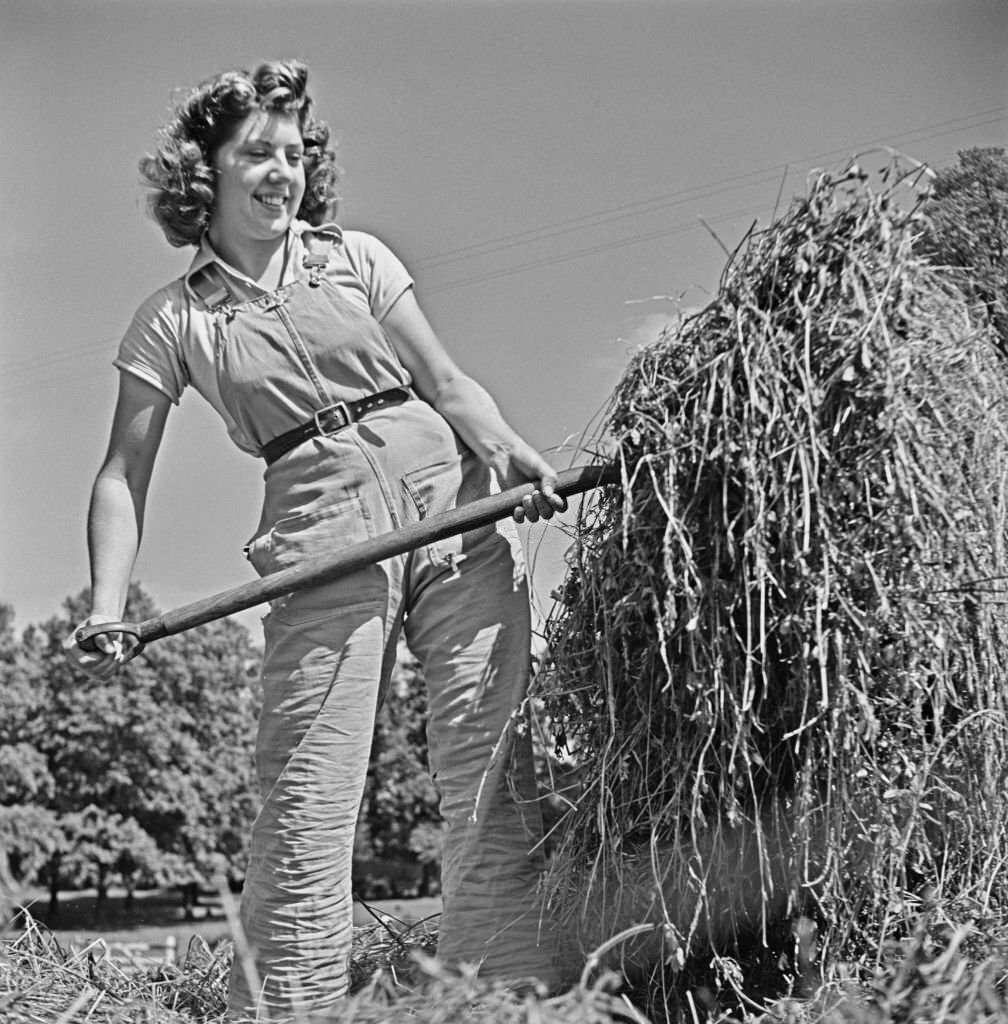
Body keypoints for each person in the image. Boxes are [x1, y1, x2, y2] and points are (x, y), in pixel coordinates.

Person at [65, 59, 565, 1020]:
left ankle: (505, 1001)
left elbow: (448, 383)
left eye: (294, 154)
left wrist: (505, 453)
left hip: (449, 507)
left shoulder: (358, 258)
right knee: (305, 795)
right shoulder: (176, 319)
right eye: (256, 153)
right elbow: (122, 475)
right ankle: (294, 1009)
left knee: (490, 760)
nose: (281, 172)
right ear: (202, 172)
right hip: (318, 532)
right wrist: (106, 606)